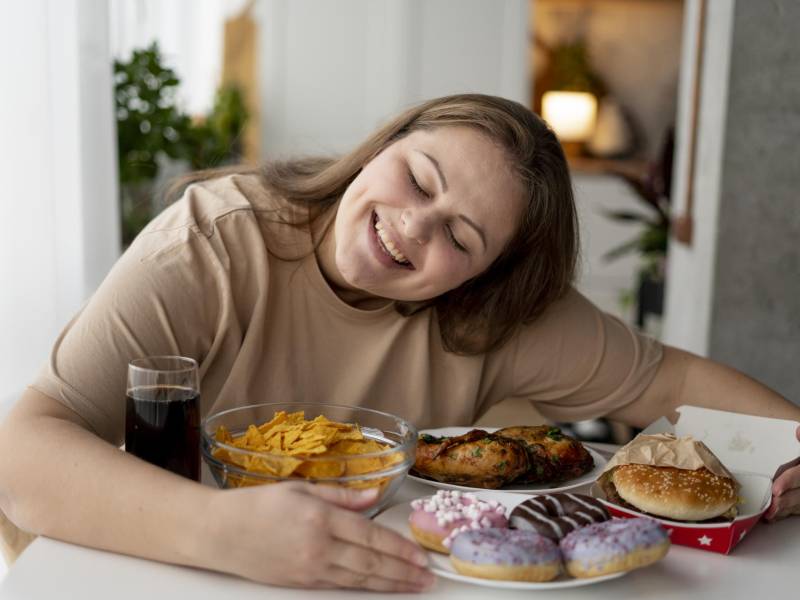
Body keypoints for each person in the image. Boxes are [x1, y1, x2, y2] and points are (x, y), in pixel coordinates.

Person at [0, 94, 798, 592]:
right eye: (417, 178)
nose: (410, 225)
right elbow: (21, 455)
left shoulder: (501, 315)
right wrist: (225, 533)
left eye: (460, 233)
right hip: (143, 567)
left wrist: (791, 452)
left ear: (488, 276)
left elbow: (672, 381)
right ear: (383, 144)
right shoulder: (213, 242)